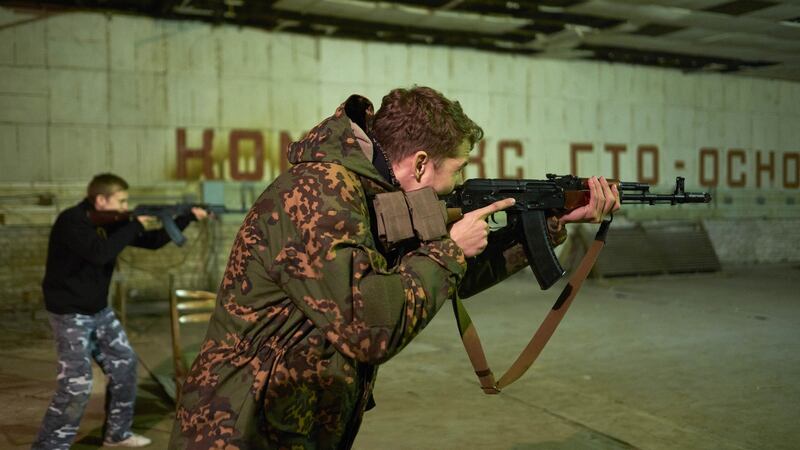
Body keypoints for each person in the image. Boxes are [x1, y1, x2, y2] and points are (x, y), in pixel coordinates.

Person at [169, 87, 619, 449]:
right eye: (458, 169)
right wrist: (450, 250)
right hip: (238, 428)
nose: (458, 184)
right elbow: (370, 326)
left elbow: (445, 279)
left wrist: (550, 224)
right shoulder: (320, 194)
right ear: (421, 163)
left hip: (287, 421)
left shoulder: (370, 195)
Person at [33, 173, 208, 449]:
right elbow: (99, 253)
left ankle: (117, 434)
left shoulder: (113, 222)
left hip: (99, 311)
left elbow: (153, 241)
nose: (126, 206)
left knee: (125, 365)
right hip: (70, 314)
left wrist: (187, 218)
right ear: (101, 200)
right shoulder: (72, 221)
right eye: (122, 201)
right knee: (76, 386)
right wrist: (134, 224)